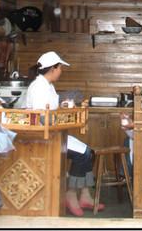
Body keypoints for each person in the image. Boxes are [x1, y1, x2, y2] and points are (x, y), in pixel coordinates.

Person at [25, 51, 105, 217]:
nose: (61, 71)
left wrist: (62, 107)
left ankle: (84, 195)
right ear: (52, 69)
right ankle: (71, 194)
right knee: (83, 154)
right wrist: (63, 116)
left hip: (55, 133)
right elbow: (42, 117)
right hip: (45, 137)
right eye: (60, 68)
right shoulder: (39, 87)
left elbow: (51, 110)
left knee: (89, 152)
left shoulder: (48, 85)